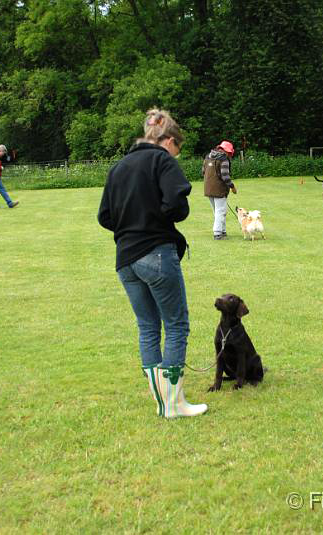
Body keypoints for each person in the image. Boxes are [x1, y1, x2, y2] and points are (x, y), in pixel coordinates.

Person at [98, 108, 207, 419]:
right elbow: (177, 204)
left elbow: (104, 217)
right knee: (175, 325)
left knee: (148, 327)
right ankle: (173, 404)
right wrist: (154, 219)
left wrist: (131, 223)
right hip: (156, 253)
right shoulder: (162, 160)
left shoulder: (118, 167)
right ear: (168, 140)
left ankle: (163, 402)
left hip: (125, 260)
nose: (177, 155)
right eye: (178, 148)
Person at [203, 141, 237, 239]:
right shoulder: (224, 159)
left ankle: (223, 231)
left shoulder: (208, 156)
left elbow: (203, 171)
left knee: (218, 211)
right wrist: (232, 187)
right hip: (219, 189)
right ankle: (217, 233)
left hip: (207, 188)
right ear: (227, 151)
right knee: (220, 211)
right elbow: (225, 176)